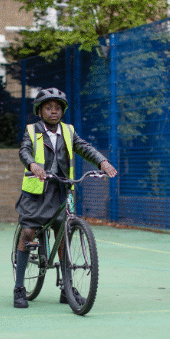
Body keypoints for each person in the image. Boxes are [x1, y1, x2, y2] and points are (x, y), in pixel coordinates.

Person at [13, 87, 117, 309]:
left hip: (61, 190)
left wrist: (102, 162)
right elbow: (24, 151)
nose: (54, 112)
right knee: (29, 232)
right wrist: (32, 164)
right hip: (36, 191)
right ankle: (19, 287)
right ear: (40, 111)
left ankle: (66, 286)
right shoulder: (31, 130)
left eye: (58, 108)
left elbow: (84, 147)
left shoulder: (68, 131)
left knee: (64, 234)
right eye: (49, 108)